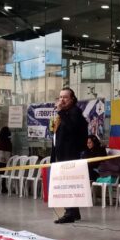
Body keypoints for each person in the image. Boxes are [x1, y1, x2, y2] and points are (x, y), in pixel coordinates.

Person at [51, 87, 88, 223]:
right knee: (65, 183)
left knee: (68, 184)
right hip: (61, 153)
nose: (62, 100)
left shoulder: (74, 112)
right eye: (60, 97)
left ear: (72, 99)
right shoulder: (63, 114)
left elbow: (72, 128)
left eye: (65, 97)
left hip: (70, 154)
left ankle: (70, 213)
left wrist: (61, 112)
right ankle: (74, 211)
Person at [0, 126, 13, 193]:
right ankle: (1, 187)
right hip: (3, 158)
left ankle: (0, 187)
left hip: (2, 158)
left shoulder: (1, 139)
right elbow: (3, 149)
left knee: (1, 173)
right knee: (1, 173)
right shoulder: (4, 140)